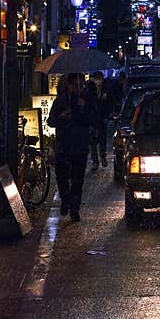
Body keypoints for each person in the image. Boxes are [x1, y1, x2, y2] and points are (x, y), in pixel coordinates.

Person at [47, 73, 92, 221]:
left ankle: (75, 208)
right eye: (76, 85)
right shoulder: (61, 100)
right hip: (63, 146)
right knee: (62, 178)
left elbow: (92, 119)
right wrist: (62, 117)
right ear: (70, 85)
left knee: (78, 180)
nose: (79, 88)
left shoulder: (85, 100)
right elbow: (51, 121)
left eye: (81, 85)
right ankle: (65, 200)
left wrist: (84, 109)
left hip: (80, 146)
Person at [85, 72, 110, 170]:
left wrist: (107, 115)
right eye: (96, 78)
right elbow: (88, 106)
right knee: (93, 142)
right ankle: (95, 161)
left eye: (99, 78)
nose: (98, 81)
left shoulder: (105, 90)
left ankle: (103, 156)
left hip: (102, 119)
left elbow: (109, 105)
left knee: (102, 140)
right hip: (92, 120)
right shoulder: (89, 91)